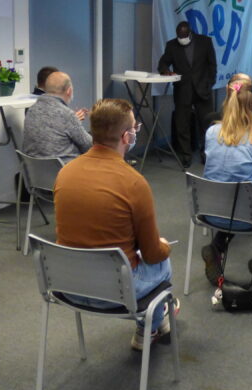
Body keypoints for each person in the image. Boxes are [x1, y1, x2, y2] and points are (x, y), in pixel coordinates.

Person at [53, 98, 176, 350]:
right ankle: (148, 329)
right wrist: (165, 247)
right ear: (127, 136)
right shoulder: (133, 182)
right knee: (164, 260)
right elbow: (152, 255)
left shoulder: (65, 173)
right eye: (134, 129)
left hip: (68, 285)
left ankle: (159, 317)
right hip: (115, 293)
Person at [200, 83, 252, 287]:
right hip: (246, 214)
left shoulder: (211, 132)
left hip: (210, 211)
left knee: (235, 203)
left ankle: (216, 248)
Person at [158, 20, 217, 167]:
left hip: (203, 89)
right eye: (179, 36)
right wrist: (165, 70)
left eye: (184, 36)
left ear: (190, 33)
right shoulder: (172, 45)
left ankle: (206, 153)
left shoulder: (205, 42)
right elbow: (163, 63)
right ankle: (186, 155)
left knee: (206, 124)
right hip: (183, 90)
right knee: (182, 124)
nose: (182, 39)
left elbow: (212, 65)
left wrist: (210, 82)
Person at [21, 70, 91, 162]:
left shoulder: (31, 110)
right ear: (69, 91)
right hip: (65, 172)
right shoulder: (67, 114)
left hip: (35, 173)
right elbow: (89, 146)